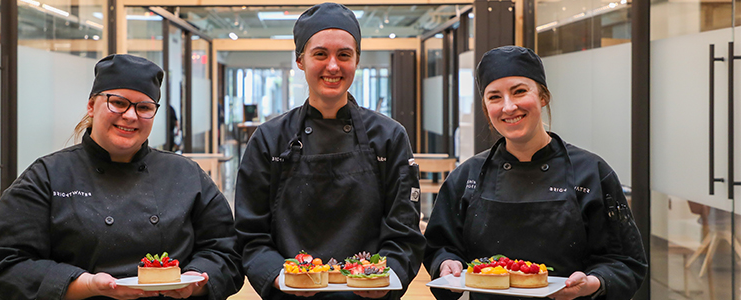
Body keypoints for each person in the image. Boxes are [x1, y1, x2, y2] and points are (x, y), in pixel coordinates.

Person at [0, 54, 243, 300]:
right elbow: (4, 264)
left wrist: (193, 283)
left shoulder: (185, 174)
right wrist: (84, 285)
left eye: (144, 107)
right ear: (91, 105)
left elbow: (227, 251)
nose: (130, 116)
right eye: (118, 102)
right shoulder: (47, 176)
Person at [423, 46, 647, 300]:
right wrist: (446, 263)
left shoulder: (591, 173)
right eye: (494, 97)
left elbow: (625, 261)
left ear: (543, 96)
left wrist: (593, 283)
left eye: (519, 92)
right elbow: (440, 246)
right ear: (486, 107)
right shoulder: (466, 177)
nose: (508, 107)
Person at [234, 3, 425, 300]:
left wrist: (385, 279)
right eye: (320, 54)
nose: (333, 66)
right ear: (300, 61)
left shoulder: (389, 137)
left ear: (357, 60)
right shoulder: (269, 140)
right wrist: (280, 277)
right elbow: (250, 235)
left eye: (344, 55)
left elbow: (404, 233)